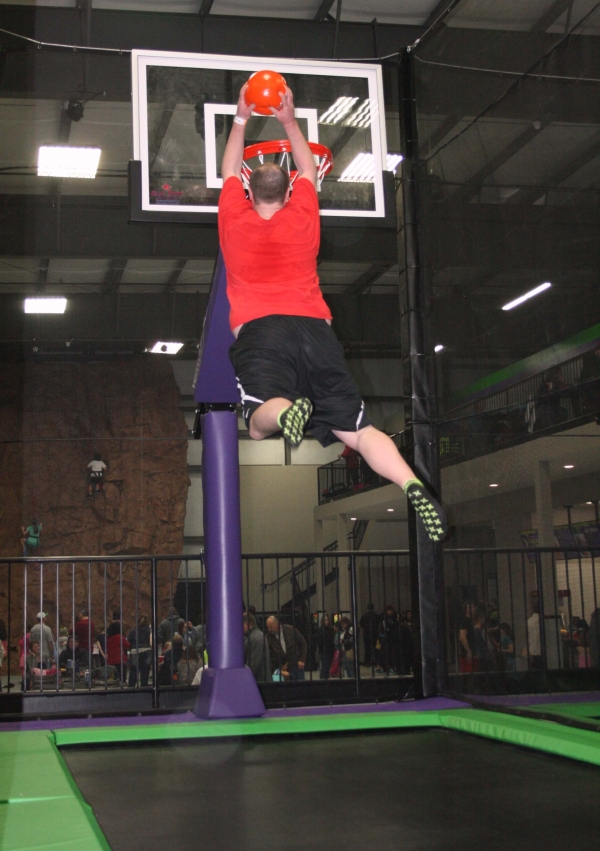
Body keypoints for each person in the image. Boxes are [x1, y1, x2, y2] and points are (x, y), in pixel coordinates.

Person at [219, 82, 447, 544]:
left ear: (247, 189)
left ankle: (284, 414)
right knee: (359, 432)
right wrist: (287, 119)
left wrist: (242, 117)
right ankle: (410, 482)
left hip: (262, 333)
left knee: (258, 421)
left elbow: (226, 169)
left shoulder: (234, 219)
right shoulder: (303, 215)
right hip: (315, 333)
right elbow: (305, 164)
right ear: (288, 193)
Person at [265, 615, 307, 681]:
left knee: (300, 687)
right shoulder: (268, 638)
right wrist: (278, 668)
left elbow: (303, 643)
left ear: (277, 624)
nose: (269, 629)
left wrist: (302, 660)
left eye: (271, 627)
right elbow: (269, 655)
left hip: (296, 665)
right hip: (282, 668)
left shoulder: (290, 630)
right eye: (268, 627)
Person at [243, 612, 271, 682]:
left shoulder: (255, 638)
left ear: (247, 624)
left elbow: (253, 665)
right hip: (260, 681)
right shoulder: (256, 636)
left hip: (259, 682)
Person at [127, 614, 152, 688]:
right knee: (145, 671)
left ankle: (131, 686)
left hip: (135, 651)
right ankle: (144, 686)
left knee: (133, 671)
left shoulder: (134, 629)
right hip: (147, 650)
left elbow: (129, 640)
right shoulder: (149, 629)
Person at [317, 613, 336, 679]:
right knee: (325, 666)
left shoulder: (331, 629)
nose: (327, 621)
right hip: (324, 650)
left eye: (327, 620)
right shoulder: (320, 630)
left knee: (328, 666)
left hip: (330, 650)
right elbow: (320, 641)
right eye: (325, 620)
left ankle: (326, 678)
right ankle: (323, 678)